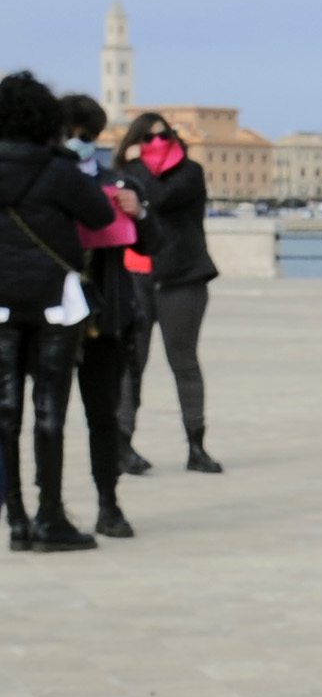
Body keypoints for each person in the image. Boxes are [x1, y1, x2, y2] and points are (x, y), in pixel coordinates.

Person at [0, 71, 117, 552]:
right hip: (55, 300)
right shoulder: (59, 169)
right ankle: (51, 516)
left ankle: (16, 519)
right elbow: (101, 216)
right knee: (51, 409)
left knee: (6, 412)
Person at [114, 110, 222, 472]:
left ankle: (196, 446)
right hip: (137, 278)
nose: (157, 144)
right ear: (135, 142)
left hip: (183, 278)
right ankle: (122, 445)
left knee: (184, 362)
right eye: (148, 138)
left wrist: (136, 167)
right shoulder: (125, 176)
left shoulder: (189, 173)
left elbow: (158, 197)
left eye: (164, 136)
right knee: (132, 364)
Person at [58, 94, 143, 539]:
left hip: (105, 312)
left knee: (103, 414)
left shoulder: (119, 183)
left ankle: (108, 502)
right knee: (44, 412)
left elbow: (149, 242)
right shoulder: (44, 183)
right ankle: (43, 508)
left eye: (85, 136)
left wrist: (138, 214)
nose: (78, 143)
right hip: (53, 313)